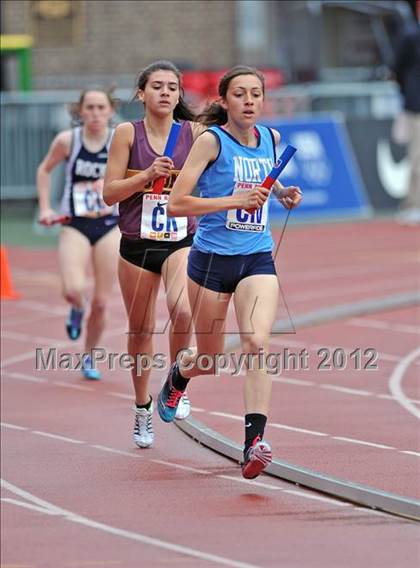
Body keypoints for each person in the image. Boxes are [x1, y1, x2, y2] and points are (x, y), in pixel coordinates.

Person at [157, 65, 302, 479]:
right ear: (224, 101)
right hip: (210, 262)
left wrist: (282, 193)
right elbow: (178, 204)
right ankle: (179, 375)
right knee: (209, 359)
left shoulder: (271, 140)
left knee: (257, 342)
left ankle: (253, 443)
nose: (250, 101)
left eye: (256, 94)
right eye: (240, 94)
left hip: (256, 257)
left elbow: (264, 182)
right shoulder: (211, 142)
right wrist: (230, 201)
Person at [103, 60, 205, 448]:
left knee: (182, 309)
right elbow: (109, 193)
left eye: (172, 87)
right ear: (141, 93)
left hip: (181, 240)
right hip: (137, 244)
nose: (165, 92)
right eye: (157, 86)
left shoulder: (193, 134)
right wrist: (146, 176)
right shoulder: (127, 134)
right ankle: (142, 407)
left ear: (180, 95)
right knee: (141, 329)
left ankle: (177, 383)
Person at [37, 88, 120, 380]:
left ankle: (89, 355)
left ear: (111, 111)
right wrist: (46, 208)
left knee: (101, 302)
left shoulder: (120, 141)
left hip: (109, 225)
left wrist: (113, 185)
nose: (96, 114)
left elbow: (137, 176)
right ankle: (75, 307)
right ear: (80, 111)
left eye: (101, 108)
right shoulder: (68, 140)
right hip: (75, 223)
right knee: (73, 290)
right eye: (90, 108)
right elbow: (44, 170)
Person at [393, 18, 420, 225]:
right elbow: (397, 69)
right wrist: (407, 93)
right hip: (416, 106)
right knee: (417, 158)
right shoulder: (411, 35)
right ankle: (413, 205)